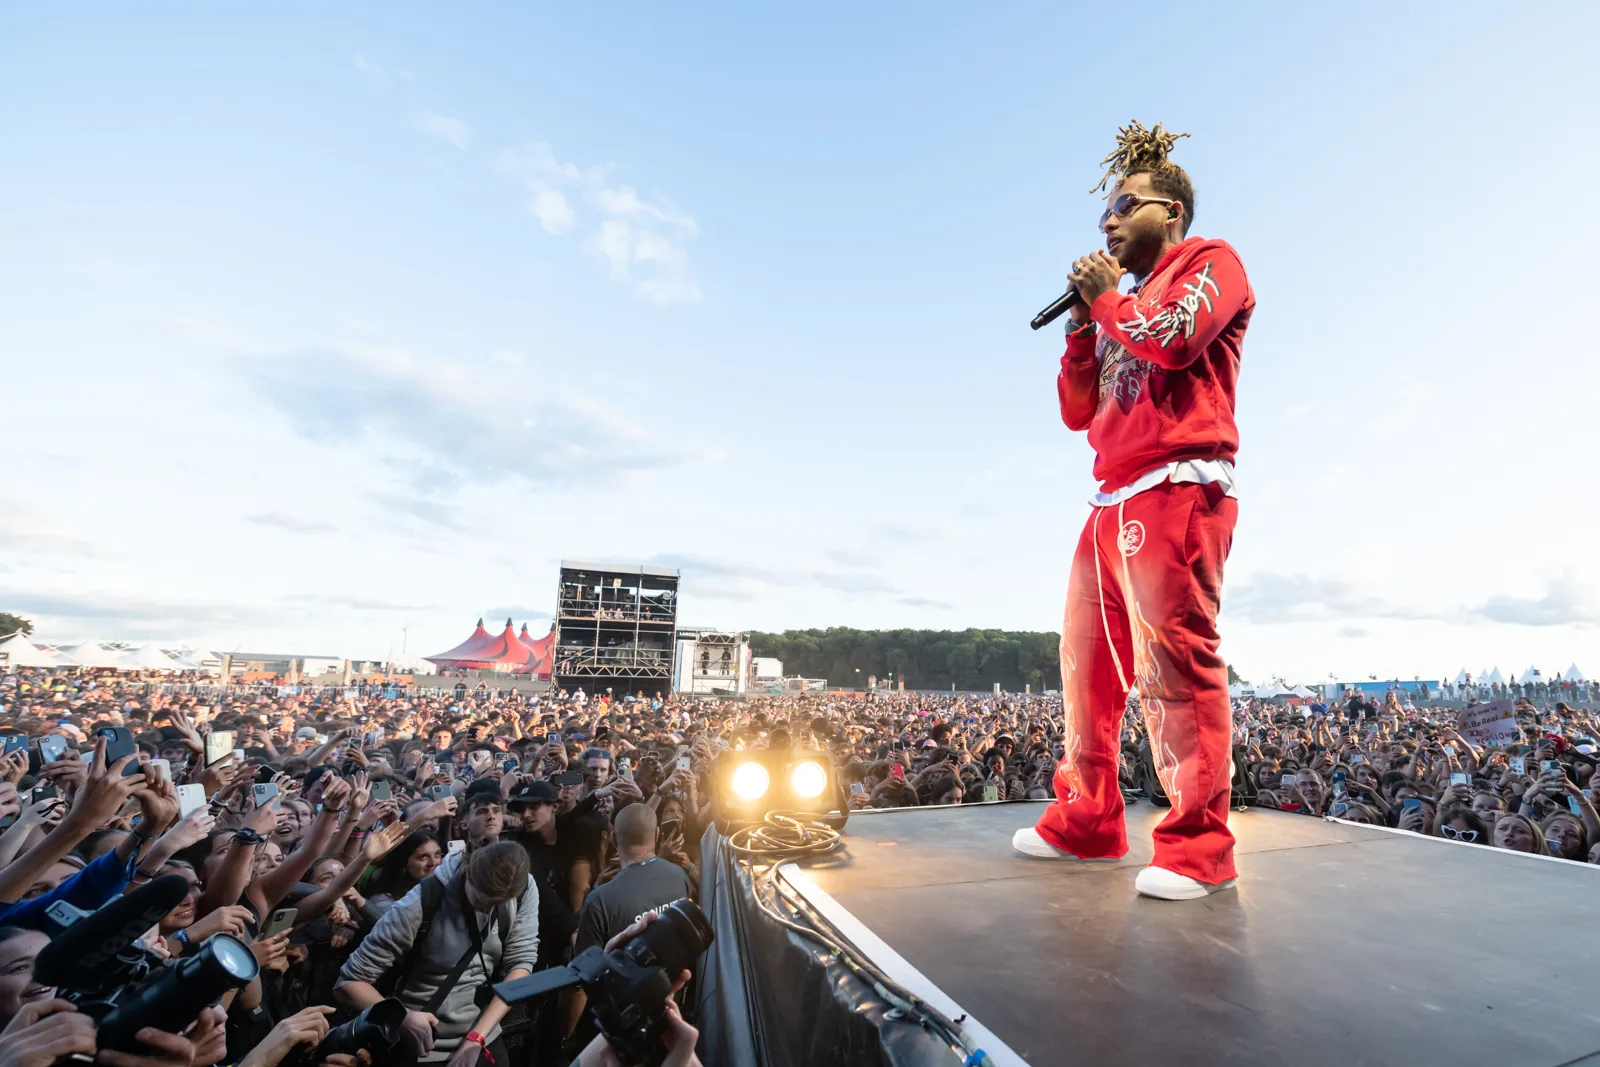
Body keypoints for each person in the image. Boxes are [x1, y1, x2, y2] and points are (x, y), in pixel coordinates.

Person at [1013, 120, 1255, 901]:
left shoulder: (1211, 263)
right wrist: (1084, 330)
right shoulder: (1119, 300)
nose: (1108, 222)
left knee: (1174, 668)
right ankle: (1087, 818)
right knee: (1086, 667)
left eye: (1124, 205)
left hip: (1178, 485)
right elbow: (1077, 411)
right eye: (1102, 214)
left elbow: (1177, 340)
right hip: (1109, 495)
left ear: (1171, 212)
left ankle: (1198, 849)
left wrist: (1109, 302)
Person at [335, 841, 539, 1067]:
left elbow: (521, 962)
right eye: (482, 901)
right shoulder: (418, 905)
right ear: (468, 872)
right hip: (421, 1047)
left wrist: (477, 1038)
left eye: (499, 904)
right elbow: (349, 982)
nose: (489, 910)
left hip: (483, 1033)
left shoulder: (523, 888)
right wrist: (402, 1018)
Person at [564, 803, 693, 1050]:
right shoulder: (680, 876)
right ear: (657, 835)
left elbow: (582, 982)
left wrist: (562, 1039)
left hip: (621, 1032)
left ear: (613, 838)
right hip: (673, 1012)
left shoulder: (600, 899)